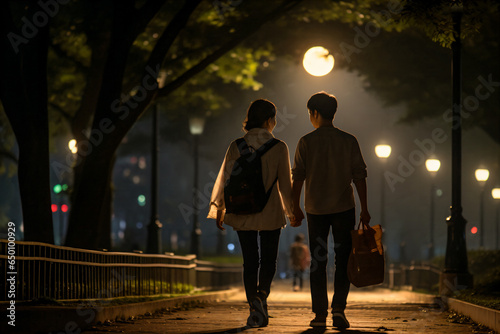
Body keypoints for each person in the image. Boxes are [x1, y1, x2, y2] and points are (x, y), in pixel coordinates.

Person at [208, 99, 295, 328]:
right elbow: (286, 185)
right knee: (269, 260)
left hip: (242, 210)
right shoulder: (280, 147)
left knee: (250, 261)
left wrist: (220, 209)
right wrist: (293, 212)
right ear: (269, 120)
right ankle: (261, 295)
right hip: (271, 211)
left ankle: (254, 308)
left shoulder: (236, 145)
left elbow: (226, 180)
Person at [291, 91, 370, 329]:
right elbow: (360, 176)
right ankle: (339, 310)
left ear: (314, 113)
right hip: (345, 207)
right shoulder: (349, 140)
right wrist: (365, 208)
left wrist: (295, 207)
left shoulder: (306, 141)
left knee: (318, 260)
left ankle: (318, 314)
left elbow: (298, 178)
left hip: (315, 209)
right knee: (343, 259)